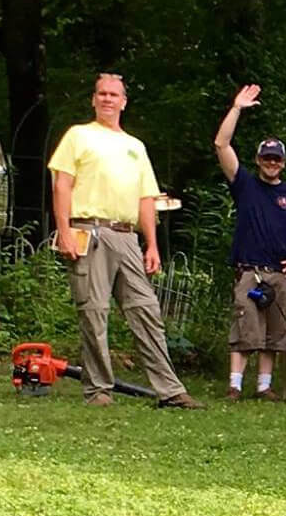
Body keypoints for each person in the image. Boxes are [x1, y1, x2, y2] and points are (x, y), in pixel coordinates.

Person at [48, 73, 204, 408]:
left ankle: (171, 391)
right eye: (101, 93)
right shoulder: (78, 136)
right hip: (88, 232)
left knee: (146, 310)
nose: (107, 99)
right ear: (93, 100)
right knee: (94, 313)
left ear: (123, 102)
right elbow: (61, 185)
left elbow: (146, 198)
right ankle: (98, 391)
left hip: (127, 237)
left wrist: (151, 245)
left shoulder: (136, 146)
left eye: (113, 94)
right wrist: (64, 231)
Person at [213, 84, 286, 402]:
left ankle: (264, 387)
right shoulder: (244, 184)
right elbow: (221, 144)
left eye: (277, 159)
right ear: (258, 160)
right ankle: (234, 386)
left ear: (283, 163)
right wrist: (236, 108)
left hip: (281, 272)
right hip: (249, 271)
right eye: (267, 158)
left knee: (276, 334)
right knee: (245, 328)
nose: (271, 163)